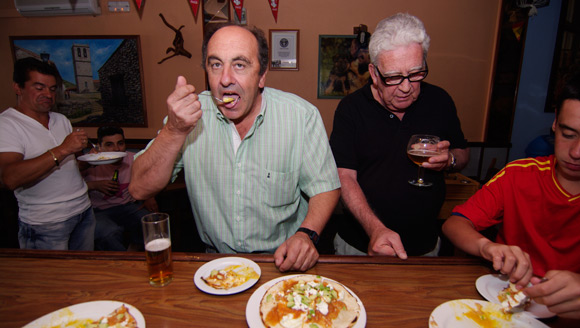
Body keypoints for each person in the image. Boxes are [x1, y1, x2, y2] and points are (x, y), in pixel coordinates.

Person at [129, 23, 340, 272]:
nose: (226, 79)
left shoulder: (301, 116)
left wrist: (306, 234)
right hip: (215, 264)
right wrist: (173, 131)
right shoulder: (187, 118)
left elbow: (326, 187)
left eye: (239, 65)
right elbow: (139, 189)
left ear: (261, 75)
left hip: (281, 261)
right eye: (216, 64)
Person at [329, 13, 469, 258]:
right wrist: (376, 229)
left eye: (415, 73)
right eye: (393, 77)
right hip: (359, 246)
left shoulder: (440, 101)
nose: (406, 87)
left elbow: (462, 152)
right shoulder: (351, 110)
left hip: (425, 246)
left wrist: (450, 161)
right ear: (373, 73)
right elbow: (344, 177)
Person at [442, 73, 580, 290]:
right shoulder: (519, 175)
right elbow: (454, 224)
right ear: (555, 122)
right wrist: (485, 246)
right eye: (569, 134)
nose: (576, 152)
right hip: (507, 296)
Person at [0, 57, 95, 250]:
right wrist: (63, 149)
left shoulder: (61, 120)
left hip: (83, 211)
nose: (48, 94)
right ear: (18, 88)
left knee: (84, 276)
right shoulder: (7, 124)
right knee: (50, 279)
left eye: (52, 89)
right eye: (39, 87)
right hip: (46, 223)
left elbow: (68, 167)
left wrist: (91, 159)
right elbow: (8, 178)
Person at [83, 126, 158, 251]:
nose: (117, 149)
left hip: (128, 206)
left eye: (120, 143)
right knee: (108, 233)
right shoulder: (89, 161)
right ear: (99, 147)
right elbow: (72, 187)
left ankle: (136, 250)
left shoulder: (135, 158)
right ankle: (122, 262)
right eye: (109, 145)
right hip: (99, 210)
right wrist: (95, 185)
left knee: (150, 222)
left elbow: (149, 177)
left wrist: (150, 197)